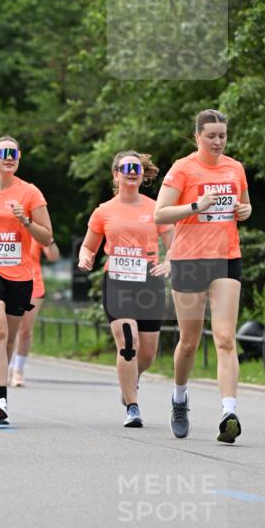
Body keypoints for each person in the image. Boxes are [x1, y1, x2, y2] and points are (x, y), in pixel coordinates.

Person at [155, 109, 251, 443]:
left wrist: (244, 210)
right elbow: (160, 214)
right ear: (197, 136)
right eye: (211, 135)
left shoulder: (235, 168)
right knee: (190, 341)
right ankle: (179, 398)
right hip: (189, 261)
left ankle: (228, 413)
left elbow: (244, 206)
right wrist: (196, 205)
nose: (218, 141)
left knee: (225, 337)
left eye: (222, 135)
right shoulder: (183, 168)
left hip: (226, 259)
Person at [79, 151, 173, 427]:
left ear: (142, 175)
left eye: (137, 168)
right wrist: (86, 257)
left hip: (149, 281)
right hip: (118, 281)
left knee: (147, 354)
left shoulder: (156, 209)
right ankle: (132, 406)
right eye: (126, 167)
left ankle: (130, 380)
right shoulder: (104, 211)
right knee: (128, 344)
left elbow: (174, 243)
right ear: (116, 174)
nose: (131, 172)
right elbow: (88, 245)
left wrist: (170, 262)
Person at [0, 136, 53, 425]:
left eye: (14, 153)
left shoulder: (30, 193)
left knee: (10, 337)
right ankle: (1, 397)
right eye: (3, 152)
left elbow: (47, 237)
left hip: (19, 273)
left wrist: (26, 222)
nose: (9, 157)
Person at [8, 236, 60, 386]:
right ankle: (6, 367)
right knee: (6, 329)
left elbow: (53, 256)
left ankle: (18, 369)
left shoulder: (34, 229)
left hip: (32, 284)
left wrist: (49, 238)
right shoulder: (4, 224)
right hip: (8, 283)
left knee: (25, 331)